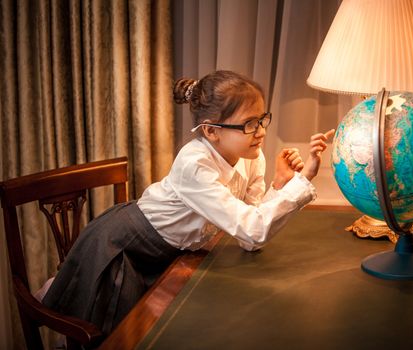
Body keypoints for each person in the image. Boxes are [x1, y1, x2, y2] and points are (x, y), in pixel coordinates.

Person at [42, 70, 334, 338]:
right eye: (248, 124)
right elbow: (253, 230)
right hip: (124, 244)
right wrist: (303, 179)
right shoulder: (194, 165)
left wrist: (281, 184)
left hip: (169, 254)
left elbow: (249, 239)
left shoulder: (252, 157)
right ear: (210, 131)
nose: (260, 131)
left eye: (261, 119)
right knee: (119, 337)